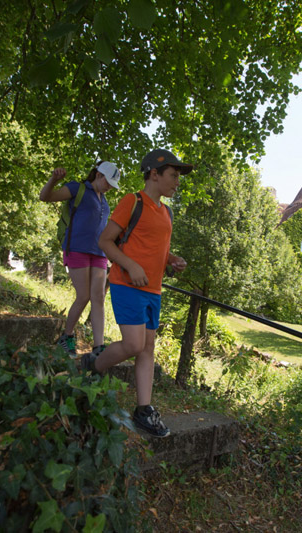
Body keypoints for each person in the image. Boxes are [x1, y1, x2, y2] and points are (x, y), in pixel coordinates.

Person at [83, 149, 191, 438]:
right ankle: (94, 364)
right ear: (154, 173)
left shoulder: (166, 211)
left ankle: (144, 409)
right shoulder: (133, 201)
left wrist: (172, 260)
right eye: (173, 175)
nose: (177, 182)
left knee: (147, 347)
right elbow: (105, 241)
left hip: (152, 290)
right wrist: (130, 265)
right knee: (133, 345)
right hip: (126, 284)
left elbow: (158, 248)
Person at [40, 161, 121, 357]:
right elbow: (45, 197)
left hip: (100, 253)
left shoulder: (105, 201)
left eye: (112, 184)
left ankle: (98, 347)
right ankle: (66, 337)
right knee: (84, 296)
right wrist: (53, 180)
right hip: (76, 248)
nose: (110, 187)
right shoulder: (78, 188)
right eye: (108, 182)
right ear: (99, 175)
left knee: (99, 297)